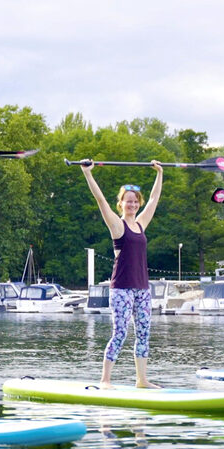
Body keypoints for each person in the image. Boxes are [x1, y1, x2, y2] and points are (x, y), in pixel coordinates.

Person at [80, 160, 163, 389]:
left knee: (144, 333)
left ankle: (142, 380)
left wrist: (160, 173)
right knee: (120, 332)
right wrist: (87, 173)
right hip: (121, 288)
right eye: (129, 201)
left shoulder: (140, 224)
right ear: (122, 203)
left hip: (142, 289)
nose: (133, 205)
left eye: (136, 201)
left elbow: (155, 199)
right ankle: (105, 380)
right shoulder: (117, 226)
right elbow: (100, 201)